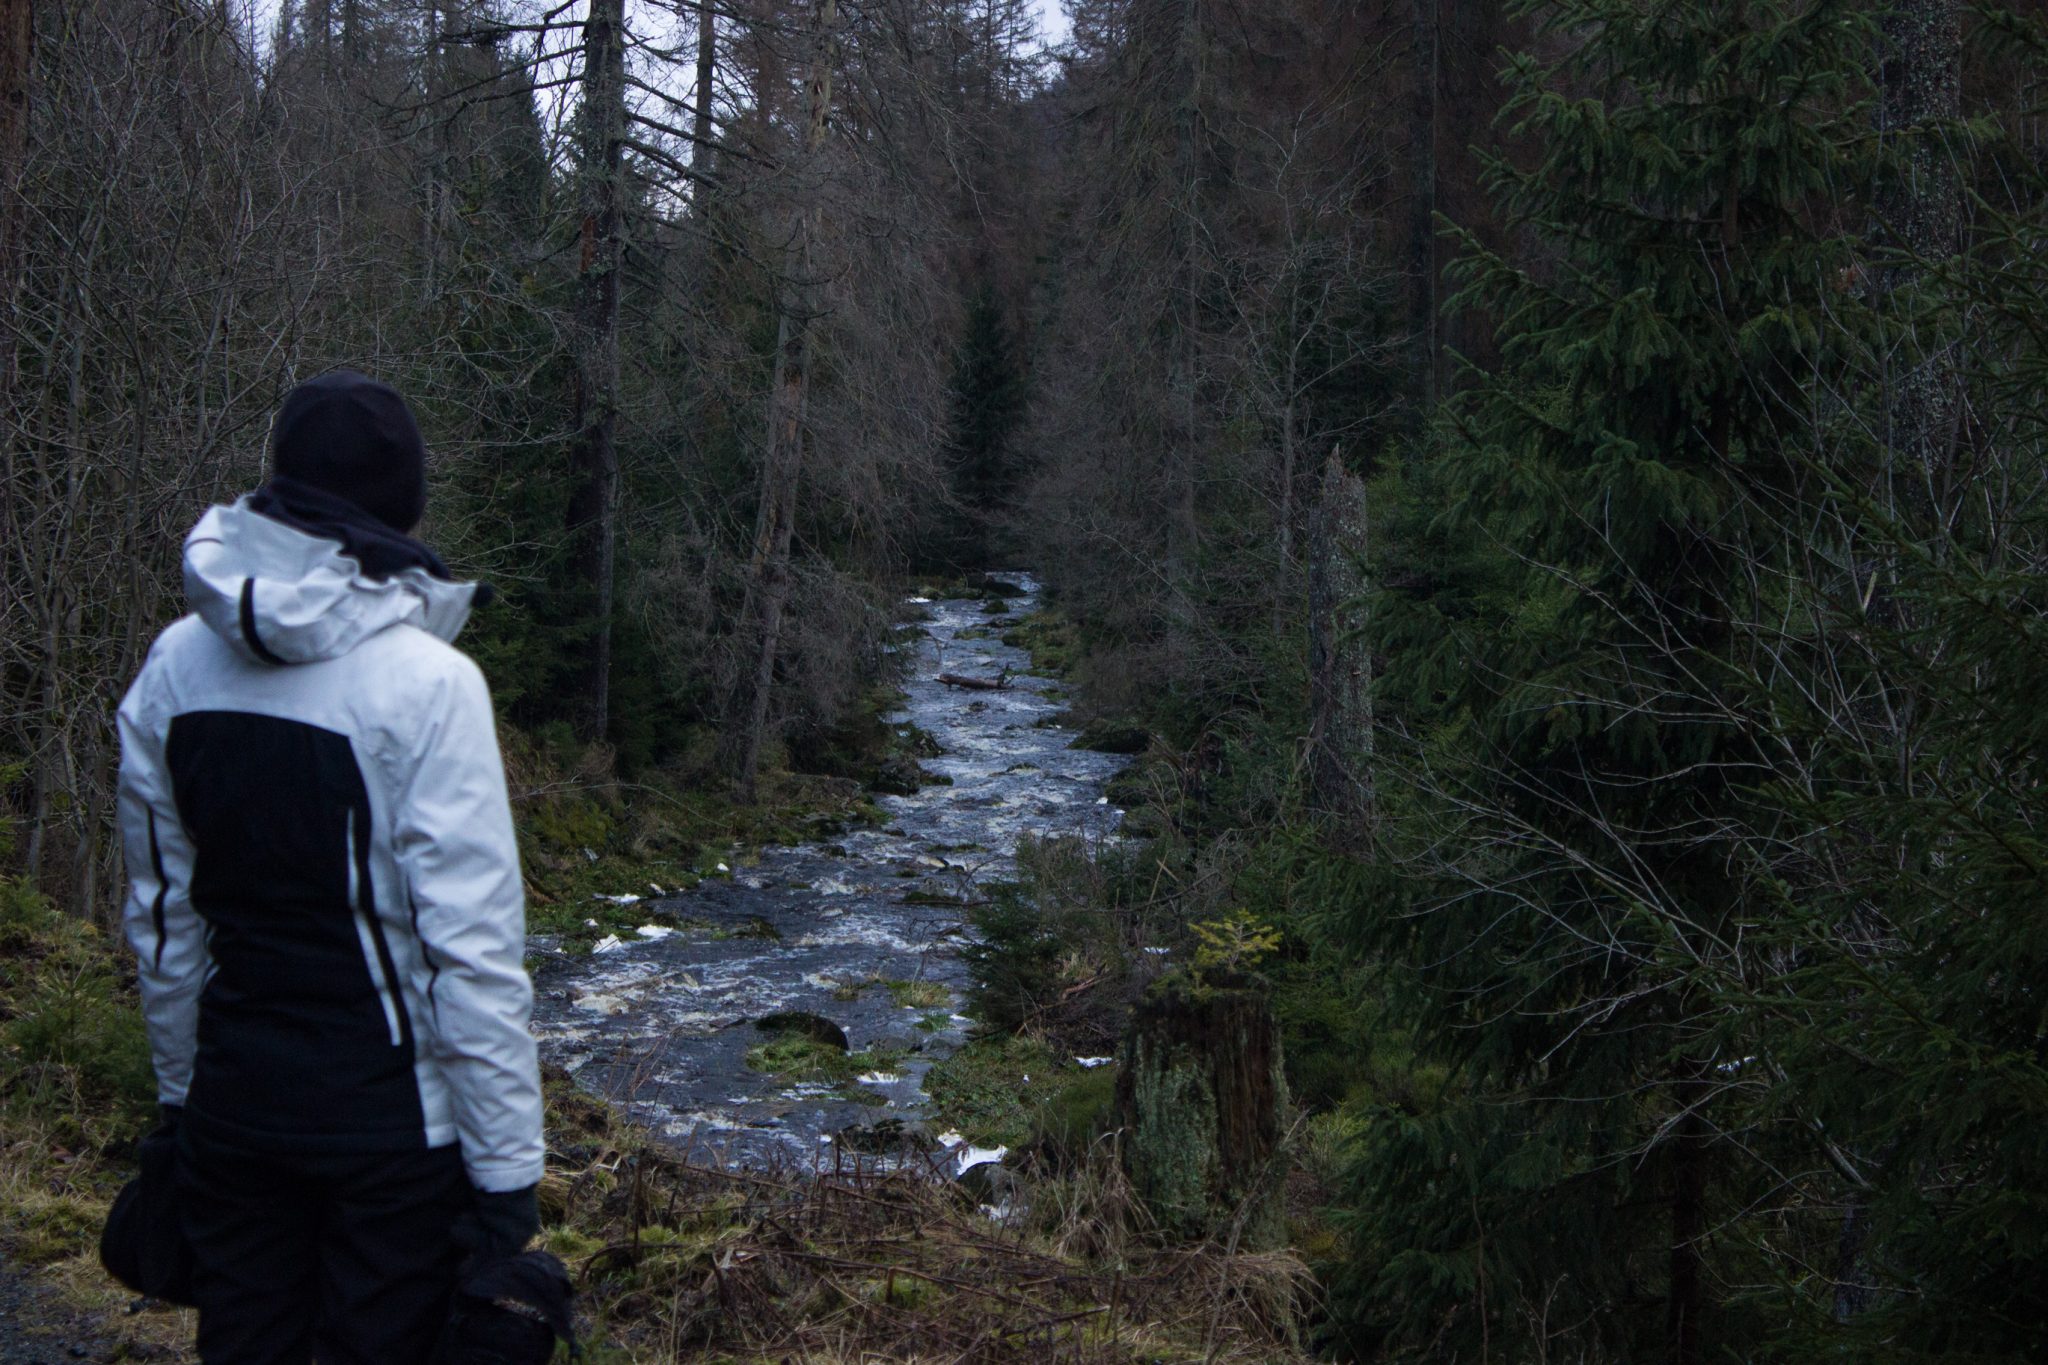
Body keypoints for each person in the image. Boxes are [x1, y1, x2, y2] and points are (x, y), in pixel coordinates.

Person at [115, 370, 545, 1364]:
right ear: (403, 506)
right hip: (390, 1133)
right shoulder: (431, 685)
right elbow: (470, 961)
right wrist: (506, 1175)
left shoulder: (172, 666)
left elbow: (167, 926)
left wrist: (180, 1104)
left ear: (281, 488)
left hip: (235, 1108)